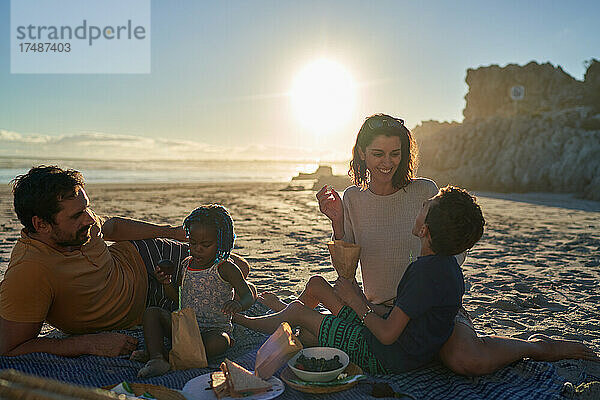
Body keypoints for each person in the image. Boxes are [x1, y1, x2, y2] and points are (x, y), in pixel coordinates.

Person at [259, 114, 596, 375]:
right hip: (376, 311)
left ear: (405, 154)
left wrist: (415, 293)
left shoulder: (424, 192)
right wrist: (336, 220)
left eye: (395, 153)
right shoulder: (352, 198)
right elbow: (345, 272)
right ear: (362, 153)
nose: (387, 162)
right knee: (326, 335)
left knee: (466, 360)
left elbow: (451, 252)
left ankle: (536, 346)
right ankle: (281, 312)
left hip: (424, 310)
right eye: (377, 153)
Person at [0, 166, 251, 357]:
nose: (89, 219)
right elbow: (11, 347)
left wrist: (168, 232)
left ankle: (245, 295)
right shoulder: (29, 271)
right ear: (41, 224)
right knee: (222, 283)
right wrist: (90, 343)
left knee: (238, 267)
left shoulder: (83, 226)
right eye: (77, 215)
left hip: (144, 256)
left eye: (87, 208)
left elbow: (114, 227)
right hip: (143, 306)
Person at [235, 186, 486, 373]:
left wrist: (356, 302)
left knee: (300, 313)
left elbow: (387, 335)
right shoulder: (447, 268)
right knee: (317, 285)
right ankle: (287, 316)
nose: (421, 205)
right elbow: (405, 318)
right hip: (390, 340)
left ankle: (250, 322)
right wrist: (362, 304)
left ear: (424, 230)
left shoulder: (422, 273)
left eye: (425, 206)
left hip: (381, 355)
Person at [133, 205, 255, 377]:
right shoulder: (186, 264)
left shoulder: (226, 268)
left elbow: (248, 296)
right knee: (152, 313)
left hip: (213, 331)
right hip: (185, 328)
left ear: (222, 242)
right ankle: (157, 358)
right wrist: (166, 282)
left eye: (206, 244)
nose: (197, 249)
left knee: (221, 342)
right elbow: (177, 299)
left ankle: (170, 355)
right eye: (193, 243)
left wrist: (238, 304)